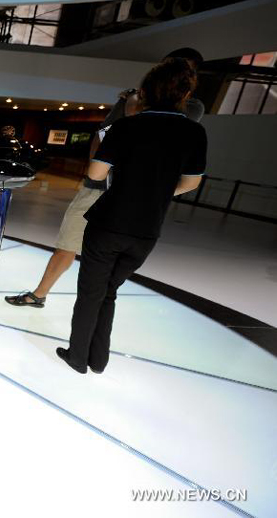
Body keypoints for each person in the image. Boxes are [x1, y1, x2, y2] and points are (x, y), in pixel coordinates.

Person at [5, 48, 205, 308]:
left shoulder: (190, 109)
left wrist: (156, 191)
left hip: (135, 197)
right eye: (168, 66)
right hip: (99, 186)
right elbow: (103, 134)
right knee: (68, 241)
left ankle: (93, 314)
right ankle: (41, 294)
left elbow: (150, 129)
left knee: (110, 262)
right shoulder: (132, 98)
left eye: (182, 69)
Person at [56, 58, 206, 374]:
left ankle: (78, 357)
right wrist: (159, 192)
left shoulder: (127, 126)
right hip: (147, 230)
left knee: (91, 293)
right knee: (109, 292)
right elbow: (190, 183)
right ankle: (99, 360)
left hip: (109, 223)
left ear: (145, 91)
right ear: (184, 95)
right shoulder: (195, 132)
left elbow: (97, 173)